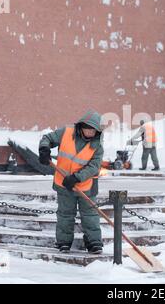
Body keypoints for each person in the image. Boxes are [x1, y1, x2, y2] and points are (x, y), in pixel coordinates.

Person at [38, 109, 104, 254]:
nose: (89, 133)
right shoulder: (66, 132)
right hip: (64, 184)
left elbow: (94, 166)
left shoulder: (97, 145)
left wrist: (77, 177)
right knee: (65, 214)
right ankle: (63, 242)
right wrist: (44, 149)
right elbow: (47, 138)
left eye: (93, 131)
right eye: (87, 129)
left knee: (90, 215)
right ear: (81, 126)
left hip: (86, 186)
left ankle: (94, 242)